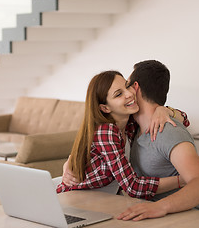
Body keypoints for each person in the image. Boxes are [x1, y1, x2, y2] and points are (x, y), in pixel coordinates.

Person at [56, 70, 188, 199]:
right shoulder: (106, 131)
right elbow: (132, 187)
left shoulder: (130, 123)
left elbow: (185, 120)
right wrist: (182, 180)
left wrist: (164, 110)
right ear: (105, 108)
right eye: (118, 94)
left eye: (127, 86)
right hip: (76, 199)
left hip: (104, 199)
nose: (130, 94)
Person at [117, 60, 199, 221]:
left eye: (127, 86)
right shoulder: (133, 128)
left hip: (194, 218)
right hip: (158, 219)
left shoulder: (168, 131)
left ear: (135, 87)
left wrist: (160, 207)